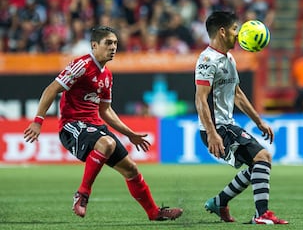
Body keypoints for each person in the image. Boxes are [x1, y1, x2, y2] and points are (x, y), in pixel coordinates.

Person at [23, 26, 183, 221]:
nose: (113, 47)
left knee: (131, 168)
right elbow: (50, 90)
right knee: (107, 143)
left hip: (94, 126)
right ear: (94, 45)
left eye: (115, 43)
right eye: (108, 43)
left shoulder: (107, 75)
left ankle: (153, 212)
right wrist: (38, 121)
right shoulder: (81, 65)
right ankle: (82, 194)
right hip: (72, 126)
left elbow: (105, 111)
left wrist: (130, 133)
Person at [194, 11, 288, 224]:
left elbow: (237, 94)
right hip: (218, 128)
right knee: (263, 157)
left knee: (259, 164)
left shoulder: (228, 58)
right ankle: (261, 215)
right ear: (222, 31)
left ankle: (220, 201)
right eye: (235, 28)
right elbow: (200, 99)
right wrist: (212, 133)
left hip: (227, 125)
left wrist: (259, 121)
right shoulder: (207, 60)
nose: (238, 33)